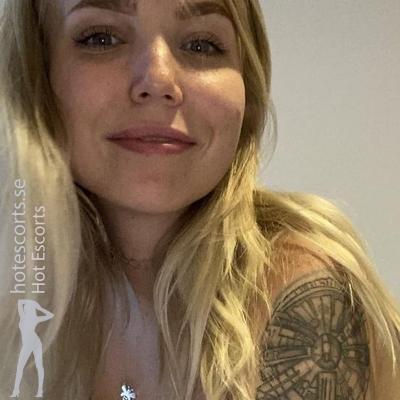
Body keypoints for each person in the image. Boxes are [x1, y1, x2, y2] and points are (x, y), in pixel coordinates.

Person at [0, 0, 399, 399]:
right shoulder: (21, 292)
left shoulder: (300, 296)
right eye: (101, 38)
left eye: (201, 45)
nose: (158, 80)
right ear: (34, 76)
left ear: (248, 93)